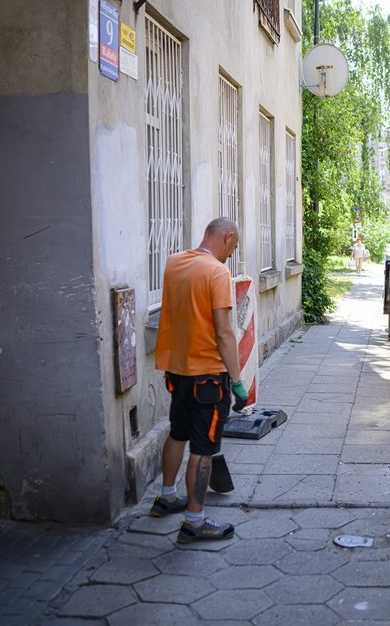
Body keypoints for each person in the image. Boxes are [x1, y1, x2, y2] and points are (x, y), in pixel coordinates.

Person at [151, 217, 248, 543]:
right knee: (203, 449)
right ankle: (194, 520)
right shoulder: (217, 272)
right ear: (228, 236)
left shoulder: (174, 264)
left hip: (176, 373)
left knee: (177, 433)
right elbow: (223, 331)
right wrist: (236, 380)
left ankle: (167, 496)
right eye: (232, 248)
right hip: (207, 377)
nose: (230, 256)